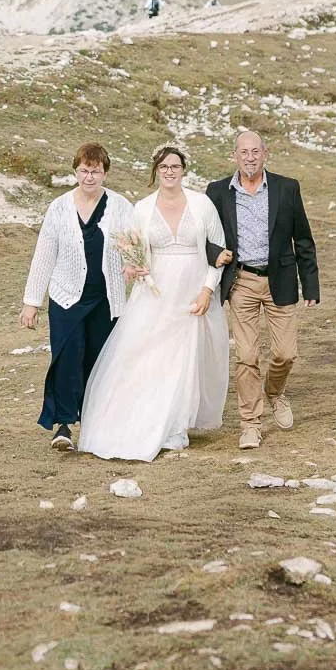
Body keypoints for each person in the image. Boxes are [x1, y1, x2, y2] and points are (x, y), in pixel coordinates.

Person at [77, 143, 231, 462]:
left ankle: (176, 425)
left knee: (185, 356)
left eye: (175, 166)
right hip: (156, 293)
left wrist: (207, 290)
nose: (170, 172)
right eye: (164, 167)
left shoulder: (202, 205)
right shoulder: (143, 209)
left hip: (192, 292)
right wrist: (134, 267)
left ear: (183, 170)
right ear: (156, 172)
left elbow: (218, 253)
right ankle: (141, 420)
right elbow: (133, 252)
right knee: (148, 356)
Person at [206, 129, 319, 450]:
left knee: (285, 353)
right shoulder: (216, 192)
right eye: (244, 152)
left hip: (279, 280)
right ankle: (250, 424)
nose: (250, 158)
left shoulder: (287, 188)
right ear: (234, 156)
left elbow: (304, 239)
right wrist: (216, 255)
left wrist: (310, 284)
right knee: (247, 356)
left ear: (265, 153)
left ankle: (274, 391)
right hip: (240, 281)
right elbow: (205, 237)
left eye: (256, 152)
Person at [19, 143, 133, 450]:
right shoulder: (59, 208)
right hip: (66, 296)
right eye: (84, 170)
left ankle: (99, 424)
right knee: (67, 356)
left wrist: (134, 267)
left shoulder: (121, 206)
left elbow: (134, 244)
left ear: (105, 173)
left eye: (96, 171)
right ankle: (64, 425)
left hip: (106, 299)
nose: (89, 177)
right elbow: (44, 255)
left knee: (99, 360)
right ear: (75, 171)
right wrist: (32, 302)